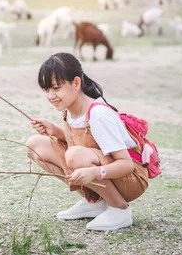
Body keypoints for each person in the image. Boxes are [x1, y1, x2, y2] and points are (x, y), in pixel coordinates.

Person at [26, 52, 148, 231]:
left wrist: (95, 172)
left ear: (76, 83)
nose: (51, 95)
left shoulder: (98, 114)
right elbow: (83, 143)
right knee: (35, 144)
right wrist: (56, 132)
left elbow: (126, 164)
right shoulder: (69, 110)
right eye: (46, 90)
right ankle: (95, 201)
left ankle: (119, 210)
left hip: (129, 179)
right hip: (102, 172)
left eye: (56, 88)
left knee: (74, 156)